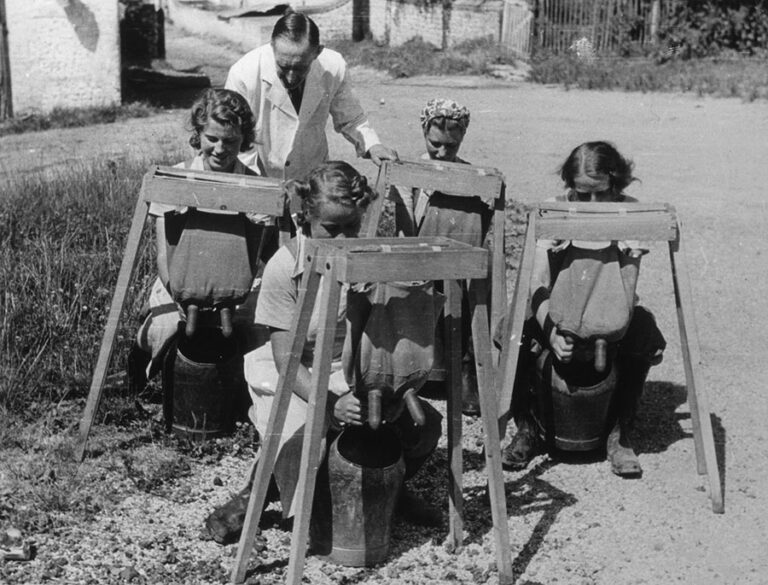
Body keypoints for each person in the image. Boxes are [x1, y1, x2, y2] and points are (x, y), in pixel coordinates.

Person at [204, 161, 443, 545]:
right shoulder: (287, 268)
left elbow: (386, 342)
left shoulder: (371, 262)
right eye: (331, 229)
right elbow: (287, 360)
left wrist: (390, 393)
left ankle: (392, 487)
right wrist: (330, 404)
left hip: (350, 371)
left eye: (353, 227)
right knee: (300, 449)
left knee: (424, 425)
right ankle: (254, 495)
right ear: (305, 219)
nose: (343, 239)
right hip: (299, 374)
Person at [502, 141, 666, 477]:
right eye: (581, 193)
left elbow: (627, 289)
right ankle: (528, 428)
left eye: (601, 193)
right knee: (513, 324)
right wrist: (550, 332)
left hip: (610, 318)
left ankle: (620, 434)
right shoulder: (555, 210)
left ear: (616, 184)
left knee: (645, 331)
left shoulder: (630, 213)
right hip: (559, 313)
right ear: (569, 187)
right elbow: (537, 285)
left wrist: (610, 328)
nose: (592, 204)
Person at [128, 88, 276, 391]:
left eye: (231, 141)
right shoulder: (175, 180)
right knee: (164, 327)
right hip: (179, 278)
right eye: (212, 139)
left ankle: (240, 395)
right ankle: (141, 376)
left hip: (236, 284)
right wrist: (178, 293)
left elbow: (259, 254)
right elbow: (162, 256)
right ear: (198, 134)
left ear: (243, 140)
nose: (220, 149)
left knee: (258, 334)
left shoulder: (255, 186)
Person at [391, 98, 493, 415]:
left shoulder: (470, 176)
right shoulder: (411, 172)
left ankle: (464, 374)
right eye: (435, 144)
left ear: (461, 138)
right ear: (424, 132)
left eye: (451, 146)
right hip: (420, 255)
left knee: (465, 297)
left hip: (457, 258)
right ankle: (414, 373)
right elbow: (404, 226)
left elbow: (481, 224)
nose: (442, 153)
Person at [225, 11, 398, 180]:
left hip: (310, 175)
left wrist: (372, 144)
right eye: (284, 67)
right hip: (257, 175)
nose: (291, 77)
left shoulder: (333, 67)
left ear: (318, 52)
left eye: (300, 68)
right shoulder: (244, 73)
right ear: (272, 48)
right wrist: (254, 187)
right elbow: (231, 135)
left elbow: (350, 117)